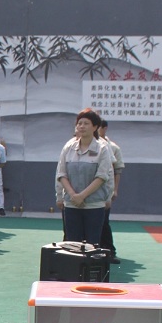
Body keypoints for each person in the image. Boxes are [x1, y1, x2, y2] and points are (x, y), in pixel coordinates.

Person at [55, 108, 114, 245]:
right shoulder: (68, 147)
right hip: (72, 204)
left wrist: (82, 196)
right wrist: (73, 195)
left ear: (95, 127)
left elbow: (102, 177)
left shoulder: (102, 148)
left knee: (92, 245)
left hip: (94, 205)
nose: (81, 126)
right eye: (79, 123)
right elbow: (61, 174)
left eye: (86, 123)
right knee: (72, 245)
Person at [97, 120, 124, 262]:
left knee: (103, 222)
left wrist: (114, 190)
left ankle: (109, 251)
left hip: (104, 191)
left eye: (98, 127)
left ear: (104, 128)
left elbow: (116, 171)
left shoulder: (112, 148)